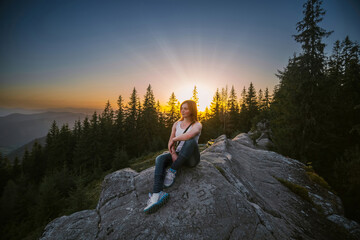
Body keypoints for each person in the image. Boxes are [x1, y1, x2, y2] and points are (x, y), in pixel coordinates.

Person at [144, 100, 202, 214]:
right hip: (179, 155)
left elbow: (189, 135)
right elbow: (170, 141)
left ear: (192, 110)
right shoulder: (176, 124)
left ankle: (173, 170)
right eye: (182, 108)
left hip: (191, 159)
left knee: (190, 142)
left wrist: (175, 139)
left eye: (186, 108)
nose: (182, 110)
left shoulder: (197, 125)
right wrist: (173, 154)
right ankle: (157, 194)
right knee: (160, 158)